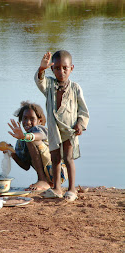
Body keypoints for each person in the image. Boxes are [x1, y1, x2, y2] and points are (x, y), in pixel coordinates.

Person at [34, 51, 89, 201]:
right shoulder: (50, 85)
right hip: (54, 129)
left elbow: (83, 111)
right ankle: (57, 188)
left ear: (71, 68)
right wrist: (41, 69)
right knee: (55, 158)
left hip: (69, 130)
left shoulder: (75, 88)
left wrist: (80, 124)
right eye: (57, 68)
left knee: (68, 158)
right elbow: (40, 81)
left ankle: (71, 189)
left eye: (65, 68)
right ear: (52, 69)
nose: (61, 71)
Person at [6, 101, 67, 191]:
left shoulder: (40, 129)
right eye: (25, 118)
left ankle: (42, 180)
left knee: (30, 139)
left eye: (32, 119)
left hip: (59, 172)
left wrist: (26, 136)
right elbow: (25, 166)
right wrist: (12, 153)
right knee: (27, 139)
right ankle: (47, 183)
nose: (28, 122)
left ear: (40, 121)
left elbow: (39, 136)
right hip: (49, 175)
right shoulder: (21, 141)